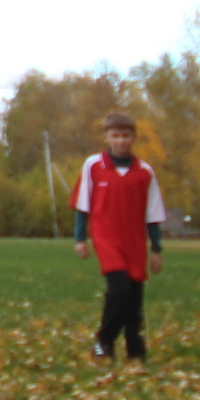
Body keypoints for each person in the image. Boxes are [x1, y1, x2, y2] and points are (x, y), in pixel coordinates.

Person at [72, 111, 163, 366]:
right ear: (107, 137)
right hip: (106, 236)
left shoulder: (144, 172)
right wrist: (80, 238)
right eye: (115, 136)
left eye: (125, 136)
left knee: (134, 295)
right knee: (120, 288)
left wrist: (156, 249)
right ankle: (104, 341)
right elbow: (83, 204)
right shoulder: (94, 166)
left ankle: (135, 347)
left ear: (133, 138)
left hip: (134, 240)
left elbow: (152, 213)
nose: (121, 141)